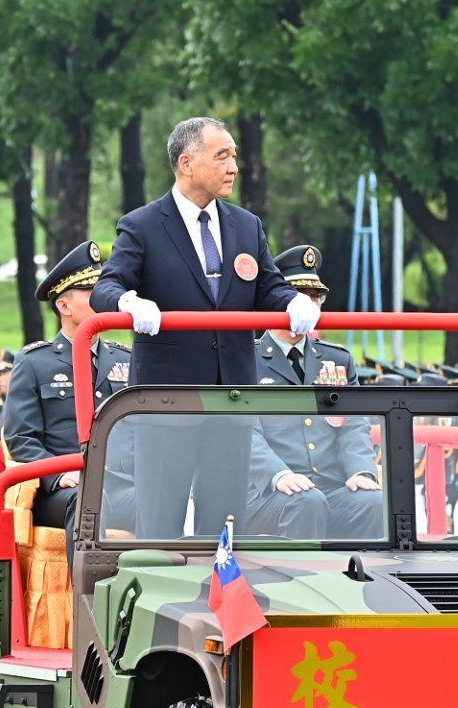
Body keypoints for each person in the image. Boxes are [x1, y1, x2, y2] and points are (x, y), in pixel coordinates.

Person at [89, 118, 321, 538]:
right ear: (187, 163)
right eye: (222, 156)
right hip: (167, 403)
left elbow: (268, 285)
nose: (234, 166)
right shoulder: (142, 224)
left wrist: (294, 301)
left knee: (225, 527)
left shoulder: (245, 225)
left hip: (231, 400)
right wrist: (128, 301)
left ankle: (218, 602)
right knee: (159, 527)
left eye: (234, 155)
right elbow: (107, 285)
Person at [3, 240, 134, 562]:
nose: (104, 299)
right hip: (63, 487)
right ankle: (88, 599)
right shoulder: (36, 362)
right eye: (92, 293)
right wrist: (59, 474)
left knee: (168, 500)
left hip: (119, 480)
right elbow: (20, 436)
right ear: (64, 306)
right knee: (87, 500)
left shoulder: (124, 358)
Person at [245, 245, 382, 539]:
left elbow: (354, 424)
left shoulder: (337, 360)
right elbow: (244, 431)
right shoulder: (246, 361)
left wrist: (361, 471)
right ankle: (301, 584)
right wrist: (277, 474)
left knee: (373, 503)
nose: (310, 307)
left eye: (315, 299)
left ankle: (361, 584)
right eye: (299, 299)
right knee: (307, 503)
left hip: (329, 485)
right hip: (267, 489)